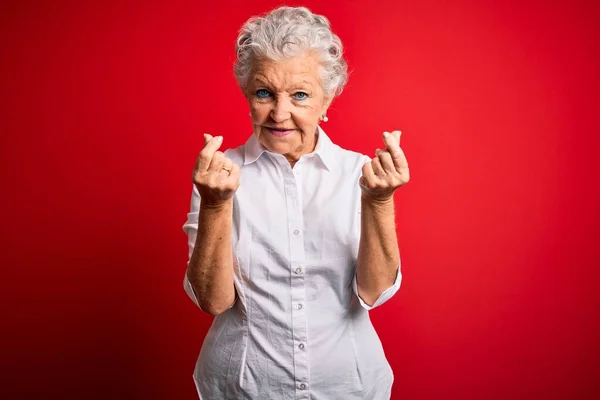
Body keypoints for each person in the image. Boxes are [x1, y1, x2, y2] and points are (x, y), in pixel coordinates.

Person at [182, 6, 410, 399]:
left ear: (327, 99)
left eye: (300, 95)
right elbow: (213, 301)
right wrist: (216, 206)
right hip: (243, 387)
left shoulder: (359, 173)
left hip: (347, 387)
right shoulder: (219, 175)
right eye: (264, 92)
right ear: (248, 94)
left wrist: (379, 202)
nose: (279, 113)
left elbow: (373, 292)